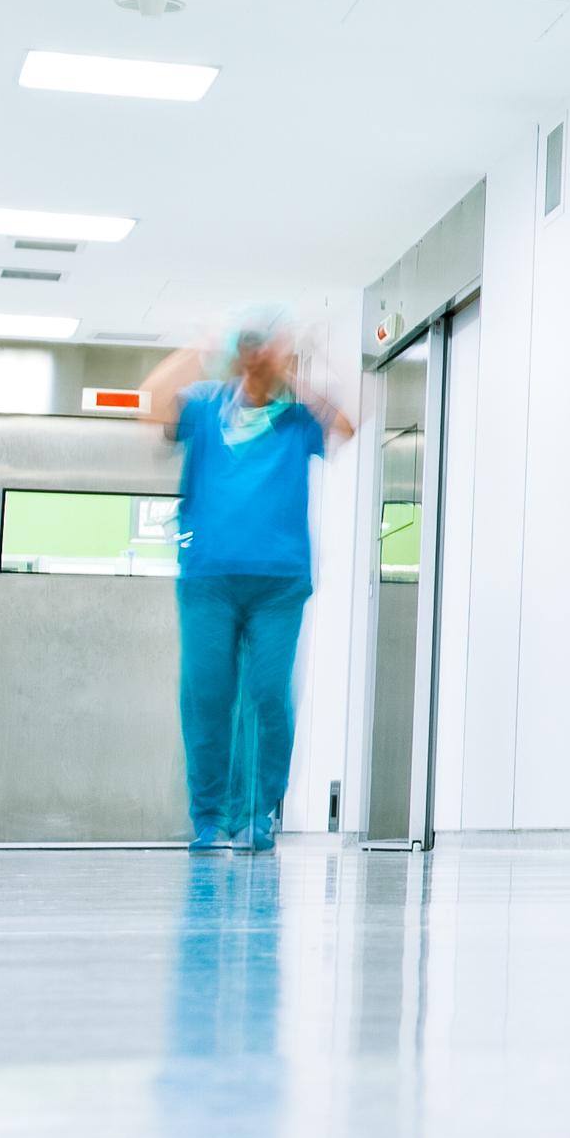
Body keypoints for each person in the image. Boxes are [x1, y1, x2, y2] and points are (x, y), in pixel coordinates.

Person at [141, 309, 354, 852]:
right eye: (250, 350)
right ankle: (210, 818)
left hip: (279, 583)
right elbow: (150, 401)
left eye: (267, 351)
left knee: (267, 693)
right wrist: (199, 345)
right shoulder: (206, 406)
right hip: (208, 578)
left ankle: (260, 812)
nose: (257, 359)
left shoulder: (298, 417)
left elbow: (347, 425)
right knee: (207, 695)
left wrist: (293, 369)